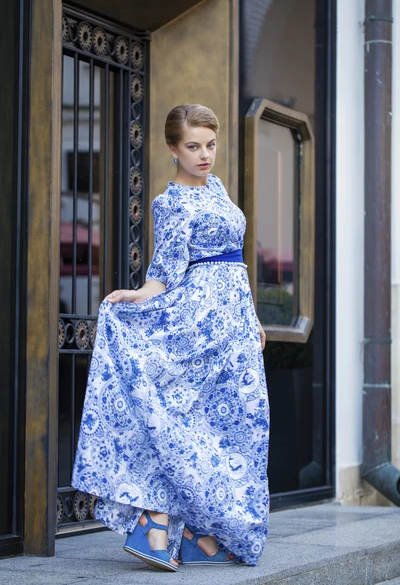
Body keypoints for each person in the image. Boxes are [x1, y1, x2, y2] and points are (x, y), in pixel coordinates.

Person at [72, 103, 270, 572]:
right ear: (172, 149)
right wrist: (138, 296)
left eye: (211, 145)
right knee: (178, 422)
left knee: (235, 423)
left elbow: (234, 262)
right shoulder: (170, 202)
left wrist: (253, 316)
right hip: (196, 322)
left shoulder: (219, 189)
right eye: (193, 147)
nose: (205, 155)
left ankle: (200, 529)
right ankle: (156, 520)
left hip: (234, 323)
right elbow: (165, 270)